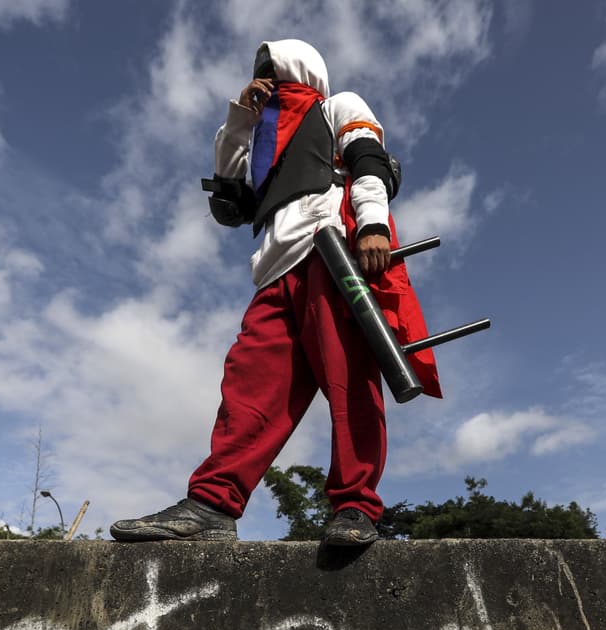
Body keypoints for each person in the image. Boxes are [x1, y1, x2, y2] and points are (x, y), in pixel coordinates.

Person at [111, 39, 439, 547]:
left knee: (350, 381)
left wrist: (373, 224)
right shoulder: (263, 147)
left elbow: (369, 160)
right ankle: (213, 505)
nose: (266, 79)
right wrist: (243, 117)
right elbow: (229, 201)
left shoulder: (337, 107)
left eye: (273, 70)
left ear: (299, 69)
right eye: (260, 73)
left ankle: (355, 507)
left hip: (333, 253)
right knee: (247, 389)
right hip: (273, 271)